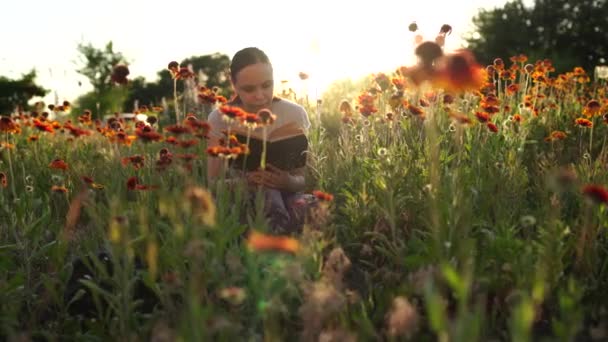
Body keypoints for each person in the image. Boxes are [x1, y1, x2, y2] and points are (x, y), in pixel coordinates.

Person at [207, 47, 314, 233]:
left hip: (288, 193)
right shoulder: (219, 119)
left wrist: (287, 182)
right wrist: (246, 182)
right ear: (234, 85)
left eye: (267, 85)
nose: (260, 95)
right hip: (241, 200)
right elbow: (213, 184)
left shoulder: (294, 114)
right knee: (269, 197)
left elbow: (305, 179)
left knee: (313, 206)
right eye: (249, 89)